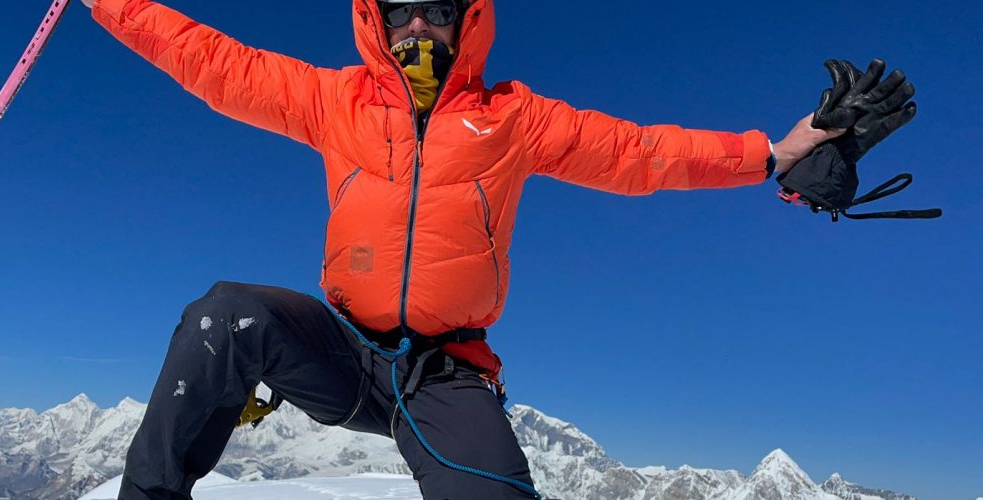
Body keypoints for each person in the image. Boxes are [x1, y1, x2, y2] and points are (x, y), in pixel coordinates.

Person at [78, 0, 875, 498]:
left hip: (445, 374)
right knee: (227, 317)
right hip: (340, 352)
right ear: (375, 22)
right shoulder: (334, 101)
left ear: (467, 19)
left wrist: (772, 155)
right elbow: (212, 61)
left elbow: (640, 153)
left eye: (434, 11)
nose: (416, 28)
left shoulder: (513, 120)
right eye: (399, 14)